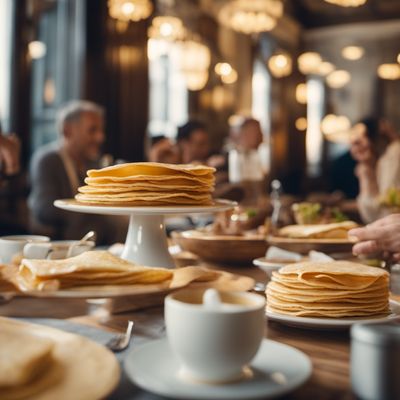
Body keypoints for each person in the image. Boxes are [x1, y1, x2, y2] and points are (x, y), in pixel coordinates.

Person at [28, 100, 127, 244]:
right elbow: (44, 210)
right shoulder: (47, 159)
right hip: (57, 246)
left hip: (93, 243)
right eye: (92, 130)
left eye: (101, 130)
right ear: (67, 130)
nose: (100, 137)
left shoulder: (91, 162)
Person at [350, 117, 400, 223]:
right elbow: (371, 217)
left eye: (360, 140)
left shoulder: (393, 155)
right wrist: (367, 176)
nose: (356, 148)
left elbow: (387, 214)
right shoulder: (366, 168)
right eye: (353, 143)